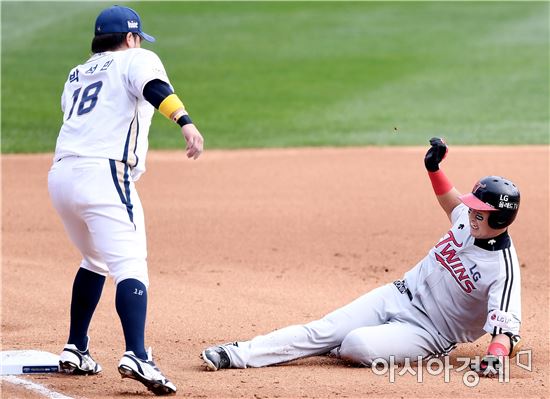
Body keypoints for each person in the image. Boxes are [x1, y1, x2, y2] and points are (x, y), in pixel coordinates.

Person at [201, 138, 522, 378]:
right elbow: (452, 204)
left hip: (430, 333)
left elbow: (506, 329)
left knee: (356, 344)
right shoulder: (469, 219)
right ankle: (236, 354)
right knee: (322, 330)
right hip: (397, 294)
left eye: (481, 212)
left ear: (499, 220)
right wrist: (433, 168)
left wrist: (495, 355)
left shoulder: (502, 270)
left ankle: (335, 344)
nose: (471, 214)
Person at [48, 5, 203, 395]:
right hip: (104, 175)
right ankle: (136, 353)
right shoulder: (137, 58)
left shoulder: (76, 73)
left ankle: (76, 347)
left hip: (61, 176)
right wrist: (185, 121)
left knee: (95, 259)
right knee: (131, 261)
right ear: (131, 38)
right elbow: (155, 89)